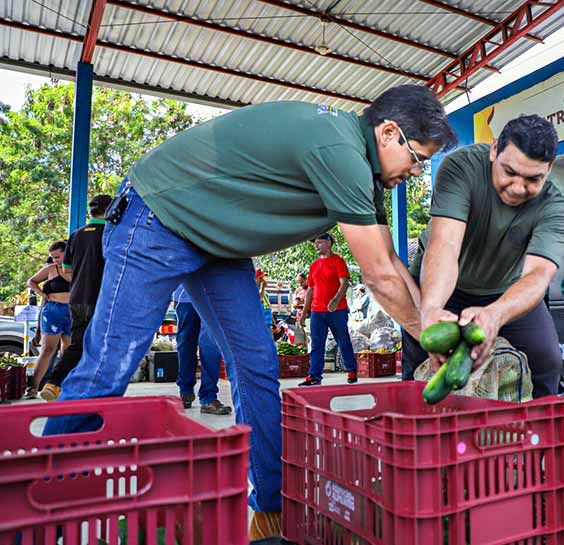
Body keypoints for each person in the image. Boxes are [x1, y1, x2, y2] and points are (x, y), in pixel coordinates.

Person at [43, 84, 456, 543]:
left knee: (257, 364)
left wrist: (434, 326)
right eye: (418, 159)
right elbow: (378, 276)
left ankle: (271, 512)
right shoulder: (338, 148)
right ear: (390, 132)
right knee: (109, 365)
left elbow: (393, 263)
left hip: (215, 242)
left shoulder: (364, 168)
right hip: (157, 215)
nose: (417, 172)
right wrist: (433, 340)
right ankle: (38, 502)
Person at [402, 115, 564, 399]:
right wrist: (431, 308)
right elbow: (445, 245)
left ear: (549, 169)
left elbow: (537, 276)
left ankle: (543, 434)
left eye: (533, 179)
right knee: (422, 363)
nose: (518, 188)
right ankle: (416, 430)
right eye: (509, 172)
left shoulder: (558, 207)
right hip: (442, 285)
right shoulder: (461, 167)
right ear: (494, 150)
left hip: (504, 292)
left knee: (547, 359)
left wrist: (495, 314)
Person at [40, 195, 112, 401]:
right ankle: (94, 389)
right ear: (109, 210)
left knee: (77, 343)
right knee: (103, 344)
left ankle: (54, 383)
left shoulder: (76, 234)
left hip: (78, 297)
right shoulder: (111, 233)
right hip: (101, 298)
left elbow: (67, 270)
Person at [298, 233, 358, 385]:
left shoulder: (338, 261)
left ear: (329, 243)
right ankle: (314, 376)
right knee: (317, 344)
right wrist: (305, 312)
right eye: (315, 243)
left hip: (337, 311)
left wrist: (336, 300)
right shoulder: (314, 265)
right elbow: (310, 290)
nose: (316, 245)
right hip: (317, 312)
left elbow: (344, 283)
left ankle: (351, 370)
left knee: (343, 340)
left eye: (319, 242)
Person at [172, 285, 232, 415]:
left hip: (211, 296)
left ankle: (208, 398)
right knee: (186, 345)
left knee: (210, 344)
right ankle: (185, 391)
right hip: (184, 295)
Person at [27, 240, 71, 398]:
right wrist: (43, 294)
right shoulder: (51, 269)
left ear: (68, 253)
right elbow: (31, 281)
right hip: (53, 310)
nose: (55, 260)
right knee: (47, 350)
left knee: (68, 351)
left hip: (74, 311)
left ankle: (57, 386)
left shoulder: (79, 267)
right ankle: (33, 388)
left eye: (57, 256)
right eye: (52, 257)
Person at [292, 272, 308, 347]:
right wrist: (301, 304)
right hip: (298, 319)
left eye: (302, 282)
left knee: (310, 341)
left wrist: (302, 304)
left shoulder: (312, 289)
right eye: (299, 282)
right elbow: (294, 304)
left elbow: (312, 305)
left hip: (308, 319)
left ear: (306, 279)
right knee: (299, 343)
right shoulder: (297, 290)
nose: (300, 284)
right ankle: (302, 358)